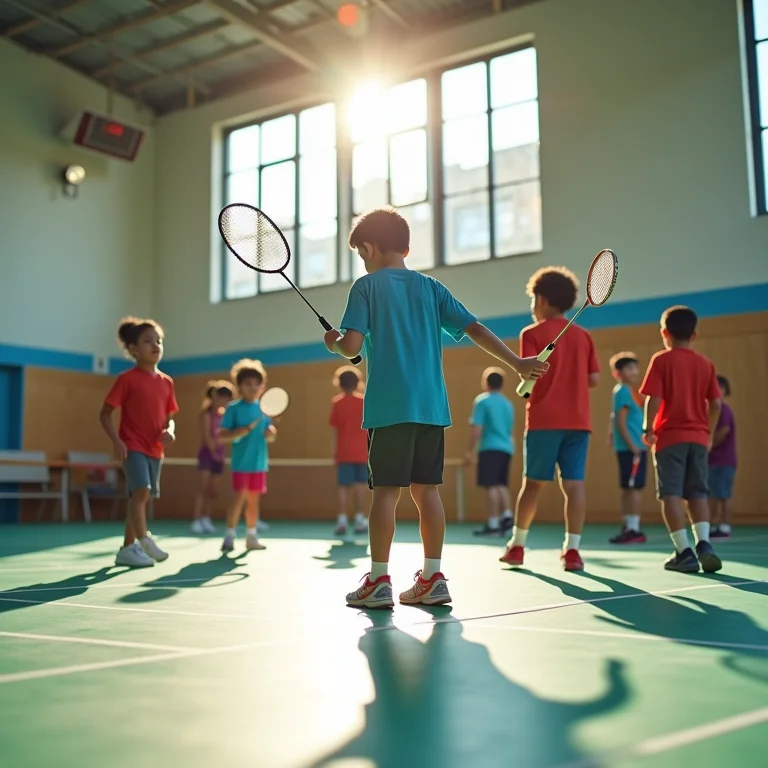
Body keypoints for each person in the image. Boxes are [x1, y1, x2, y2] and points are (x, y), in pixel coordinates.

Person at [323, 206, 548, 608]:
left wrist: (334, 343)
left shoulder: (366, 287)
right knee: (428, 493)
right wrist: (517, 362)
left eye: (360, 253)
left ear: (369, 248)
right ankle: (433, 577)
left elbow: (351, 347)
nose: (362, 261)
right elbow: (474, 327)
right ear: (406, 247)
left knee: (385, 494)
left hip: (389, 409)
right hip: (431, 409)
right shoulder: (431, 287)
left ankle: (378, 581)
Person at [500, 267, 600, 572]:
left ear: (541, 300)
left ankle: (517, 546)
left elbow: (529, 374)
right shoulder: (584, 336)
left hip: (543, 422)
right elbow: (594, 379)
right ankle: (573, 552)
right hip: (578, 423)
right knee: (574, 486)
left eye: (533, 300)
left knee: (532, 485)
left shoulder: (530, 334)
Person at [640, 305, 722, 573]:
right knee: (698, 492)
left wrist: (648, 429)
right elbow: (716, 404)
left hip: (670, 438)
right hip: (698, 438)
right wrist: (708, 434)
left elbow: (654, 398)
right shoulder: (705, 364)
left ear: (664, 333)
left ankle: (683, 552)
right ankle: (705, 544)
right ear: (694, 335)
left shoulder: (661, 360)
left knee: (671, 494)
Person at [100, 317, 178, 568]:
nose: (155, 345)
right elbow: (105, 414)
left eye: (159, 341)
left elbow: (169, 418)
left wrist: (170, 431)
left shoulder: (167, 382)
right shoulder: (127, 379)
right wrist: (117, 441)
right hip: (132, 445)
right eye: (148, 341)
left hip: (156, 449)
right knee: (142, 491)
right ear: (133, 349)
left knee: (140, 496)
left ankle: (127, 548)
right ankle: (144, 540)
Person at [218, 359, 277, 553]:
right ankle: (229, 535)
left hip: (259, 464)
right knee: (239, 499)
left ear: (262, 387)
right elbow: (222, 436)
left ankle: (251, 536)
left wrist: (271, 433)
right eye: (248, 384)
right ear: (239, 386)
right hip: (241, 464)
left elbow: (270, 435)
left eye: (256, 384)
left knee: (253, 501)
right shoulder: (233, 409)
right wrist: (239, 432)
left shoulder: (264, 410)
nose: (252, 388)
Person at [466, 367, 515, 537]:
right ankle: (507, 515)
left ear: (486, 383)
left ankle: (493, 523)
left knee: (491, 485)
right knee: (501, 484)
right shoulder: (508, 404)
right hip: (506, 448)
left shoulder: (482, 402)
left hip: (490, 447)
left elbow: (477, 429)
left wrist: (469, 451)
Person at [608, 352, 647, 544]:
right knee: (633, 488)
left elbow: (614, 419)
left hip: (630, 448)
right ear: (618, 373)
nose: (635, 372)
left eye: (635, 367)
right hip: (633, 449)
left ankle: (629, 525)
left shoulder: (627, 391)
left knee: (629, 487)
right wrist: (634, 446)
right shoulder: (623, 391)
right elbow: (621, 422)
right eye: (629, 368)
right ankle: (633, 528)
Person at [330, 365, 369, 536]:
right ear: (358, 382)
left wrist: (335, 452)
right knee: (360, 486)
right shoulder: (364, 402)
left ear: (339, 383)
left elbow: (335, 429)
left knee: (343, 487)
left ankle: (342, 521)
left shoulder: (337, 403)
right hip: (362, 452)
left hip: (344, 452)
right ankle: (360, 520)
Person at [191, 381, 234, 535]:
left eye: (228, 398)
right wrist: (213, 452)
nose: (225, 401)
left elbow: (226, 435)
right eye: (223, 397)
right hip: (207, 455)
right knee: (203, 487)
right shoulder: (206, 414)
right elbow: (207, 436)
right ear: (216, 397)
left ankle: (206, 518)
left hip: (219, 456)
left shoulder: (223, 416)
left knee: (213, 490)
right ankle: (196, 520)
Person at [709, 375, 737, 539]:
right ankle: (715, 525)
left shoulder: (723, 410)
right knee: (713, 494)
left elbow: (724, 431)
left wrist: (708, 445)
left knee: (724, 494)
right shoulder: (712, 409)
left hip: (723, 461)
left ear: (724, 390)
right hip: (713, 461)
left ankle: (725, 527)